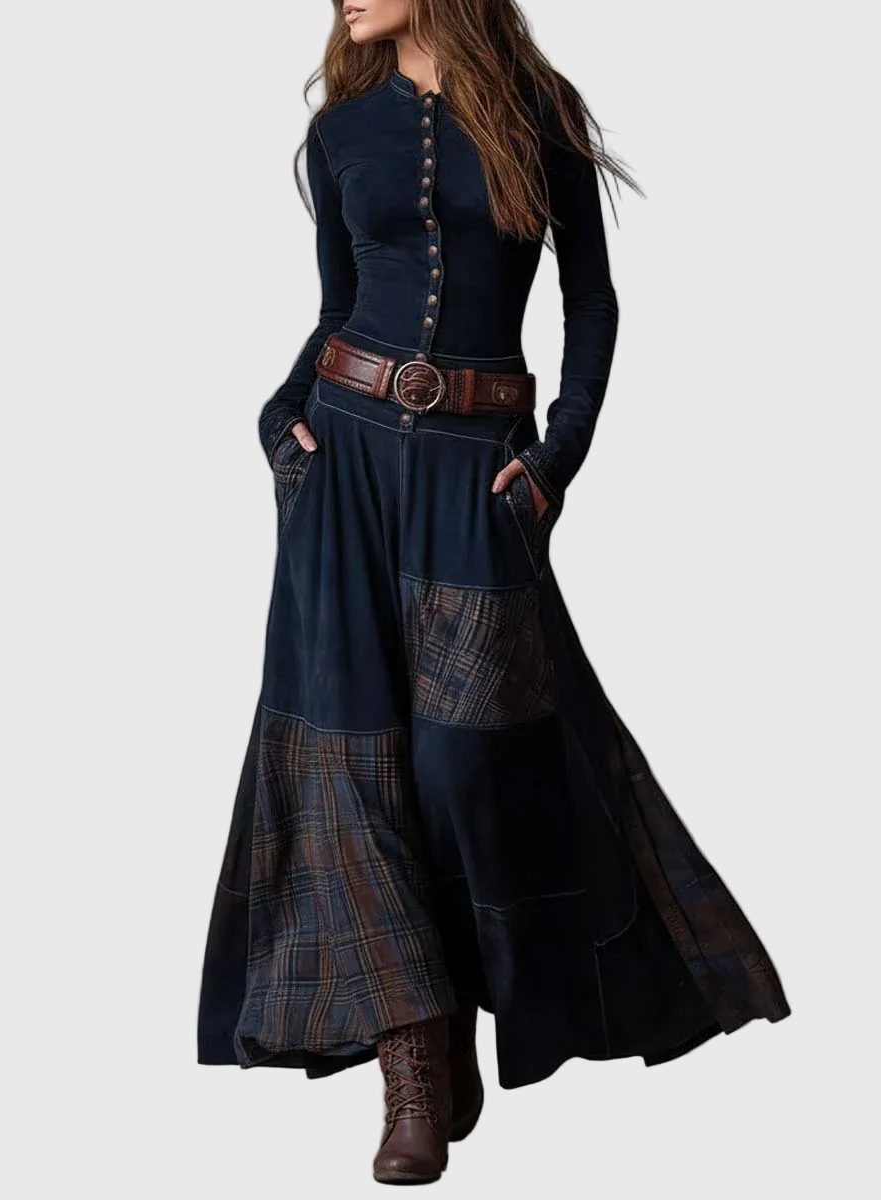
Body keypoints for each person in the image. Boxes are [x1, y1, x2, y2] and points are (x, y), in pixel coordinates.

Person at [197, 0, 790, 1185]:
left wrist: (556, 459)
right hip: (340, 459)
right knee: (351, 765)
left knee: (465, 763)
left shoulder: (537, 114)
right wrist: (278, 424)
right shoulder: (341, 130)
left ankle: (468, 991)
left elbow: (593, 302)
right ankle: (413, 1059)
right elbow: (335, 312)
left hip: (479, 473)